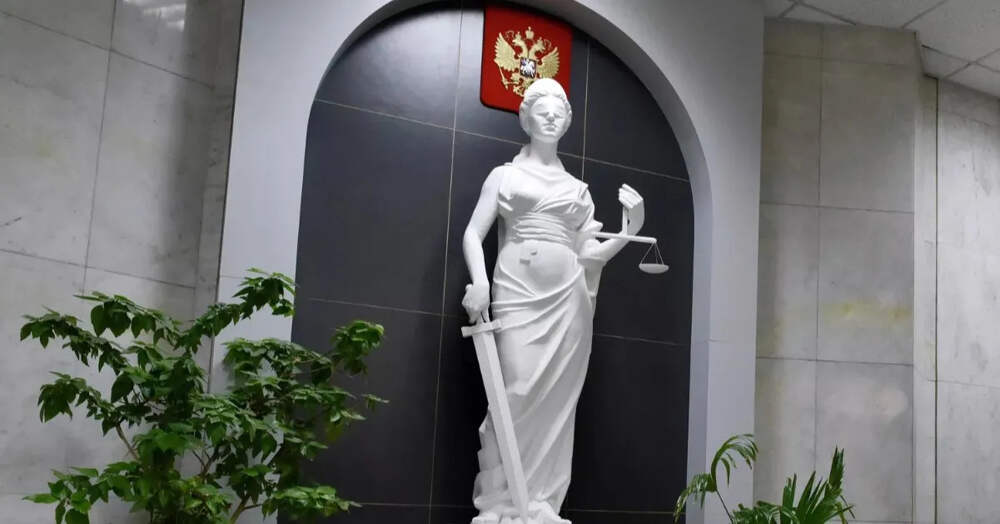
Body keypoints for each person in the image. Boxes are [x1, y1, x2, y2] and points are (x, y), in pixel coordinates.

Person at [462, 78, 645, 524]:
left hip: (568, 300)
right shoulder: (505, 176)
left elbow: (590, 255)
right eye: (541, 111)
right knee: (516, 390)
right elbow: (472, 233)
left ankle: (540, 501)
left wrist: (629, 231)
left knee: (557, 404)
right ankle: (501, 501)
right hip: (518, 291)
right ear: (525, 118)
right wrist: (479, 282)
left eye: (558, 113)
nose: (550, 118)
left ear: (567, 122)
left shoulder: (578, 190)